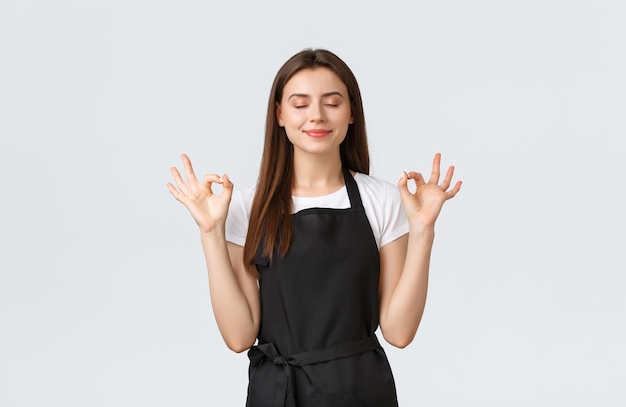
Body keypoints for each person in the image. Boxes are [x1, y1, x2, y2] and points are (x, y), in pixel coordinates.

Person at [167, 48, 461, 407]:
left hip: (361, 393)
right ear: (279, 114)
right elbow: (239, 336)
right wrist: (211, 233)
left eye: (332, 103)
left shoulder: (381, 200)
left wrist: (422, 231)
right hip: (278, 394)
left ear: (352, 112)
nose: (316, 116)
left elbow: (399, 333)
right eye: (300, 104)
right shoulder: (246, 208)